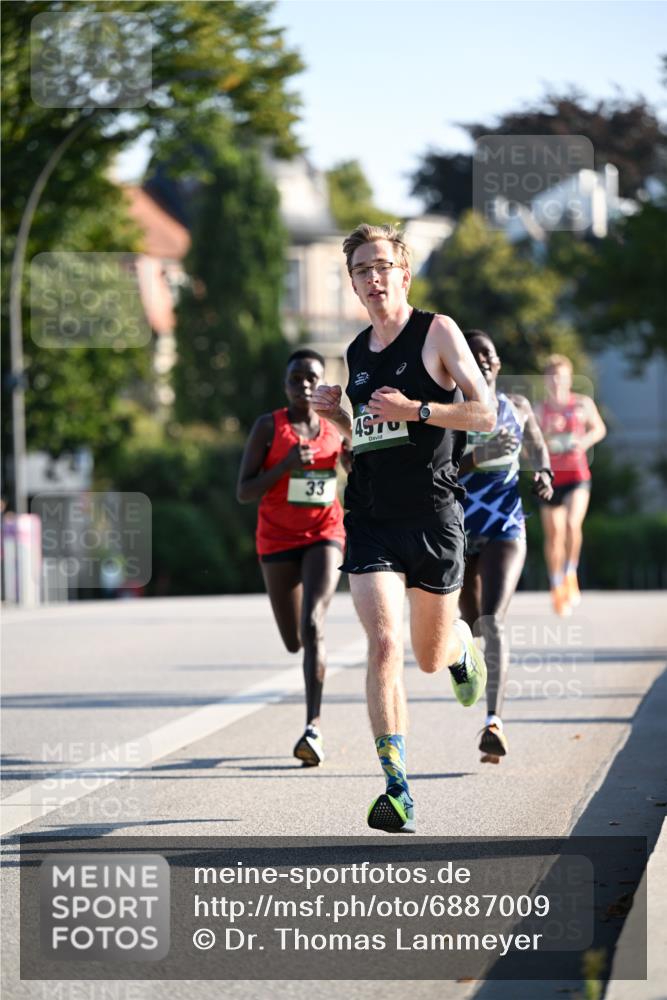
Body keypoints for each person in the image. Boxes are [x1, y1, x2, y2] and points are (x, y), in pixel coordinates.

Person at [312, 223, 495, 834]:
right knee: (385, 644)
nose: (373, 277)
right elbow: (365, 438)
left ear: (403, 272)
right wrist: (335, 415)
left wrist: (416, 409)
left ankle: (460, 644)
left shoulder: (437, 331)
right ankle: (396, 788)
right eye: (361, 269)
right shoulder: (358, 350)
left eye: (382, 266)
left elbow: (485, 412)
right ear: (353, 283)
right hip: (371, 515)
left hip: (435, 515)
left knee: (427, 657)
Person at [237, 349, 347, 767]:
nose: (303, 384)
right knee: (294, 640)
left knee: (314, 624)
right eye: (295, 378)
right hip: (277, 539)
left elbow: (357, 469)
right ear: (285, 386)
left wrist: (354, 465)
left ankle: (312, 728)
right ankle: (310, 654)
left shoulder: (337, 426)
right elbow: (244, 491)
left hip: (324, 533)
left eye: (311, 378)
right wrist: (283, 464)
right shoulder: (269, 426)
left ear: (322, 384)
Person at [457, 330, 554, 763]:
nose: (481, 361)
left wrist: (544, 472)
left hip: (505, 525)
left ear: (497, 363)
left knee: (493, 622)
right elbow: (434, 470)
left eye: (488, 354)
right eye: (472, 355)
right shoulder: (452, 412)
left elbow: (535, 442)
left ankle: (494, 721)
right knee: (470, 626)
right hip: (457, 531)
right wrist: (479, 456)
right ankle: (463, 660)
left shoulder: (516, 405)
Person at [535, 355, 606, 616]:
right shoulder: (539, 409)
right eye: (552, 377)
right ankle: (556, 585)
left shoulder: (582, 404)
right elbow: (529, 442)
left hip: (577, 475)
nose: (556, 382)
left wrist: (583, 442)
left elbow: (599, 429)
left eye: (561, 377)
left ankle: (570, 573)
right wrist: (547, 433)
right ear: (545, 380)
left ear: (569, 378)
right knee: (554, 534)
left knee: (571, 524)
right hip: (551, 479)